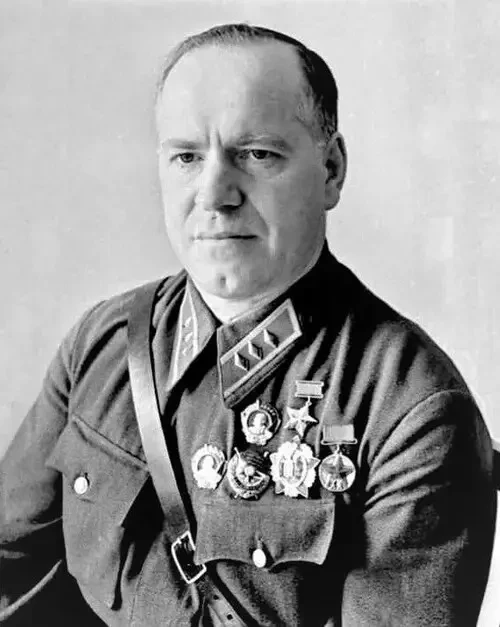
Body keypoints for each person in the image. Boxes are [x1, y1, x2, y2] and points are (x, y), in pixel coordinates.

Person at [0, 23, 496, 627]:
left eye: (257, 154)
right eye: (186, 156)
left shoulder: (410, 407)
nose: (214, 194)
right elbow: (10, 570)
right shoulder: (101, 344)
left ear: (332, 170)